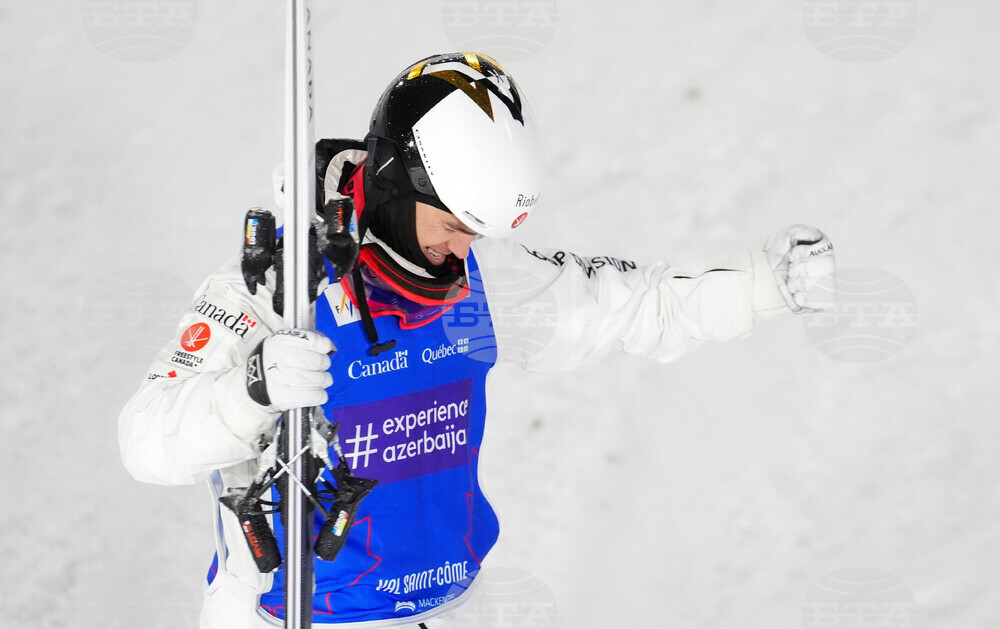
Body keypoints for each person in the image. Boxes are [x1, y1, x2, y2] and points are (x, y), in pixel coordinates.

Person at [119, 52, 837, 629]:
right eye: (454, 224)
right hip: (299, 614)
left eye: (477, 231)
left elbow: (632, 307)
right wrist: (251, 389)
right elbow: (146, 439)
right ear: (397, 183)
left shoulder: (474, 291)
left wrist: (762, 287)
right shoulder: (280, 293)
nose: (463, 248)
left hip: (454, 607)